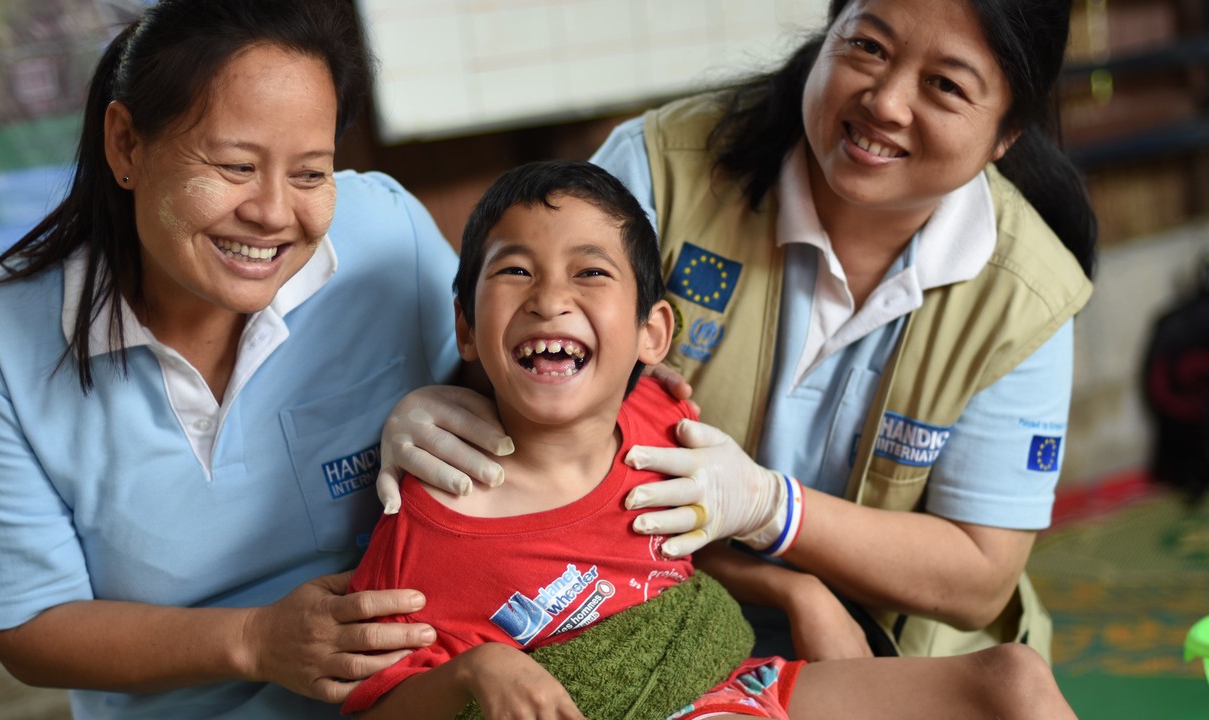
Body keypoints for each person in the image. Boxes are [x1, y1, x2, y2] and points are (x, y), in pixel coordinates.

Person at [377, 0, 1095, 663]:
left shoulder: (1028, 295)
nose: (885, 102)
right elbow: (529, 389)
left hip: (897, 653)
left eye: (945, 85)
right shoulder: (661, 172)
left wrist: (772, 508)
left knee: (1013, 686)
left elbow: (978, 577)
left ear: (1006, 132)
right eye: (869, 47)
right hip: (650, 621)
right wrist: (444, 397)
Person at [347, 159, 1078, 720]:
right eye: (515, 271)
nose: (550, 298)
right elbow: (377, 705)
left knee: (1013, 678)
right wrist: (474, 674)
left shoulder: (660, 421)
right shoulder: (424, 526)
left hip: (742, 690)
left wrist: (798, 590)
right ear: (466, 328)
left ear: (652, 334)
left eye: (590, 272)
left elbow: (683, 543)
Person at [0, 1, 466, 717]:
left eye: (311, 174)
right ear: (126, 145)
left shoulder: (386, 234)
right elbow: (27, 626)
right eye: (236, 166)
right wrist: (253, 640)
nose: (273, 212)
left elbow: (508, 399)